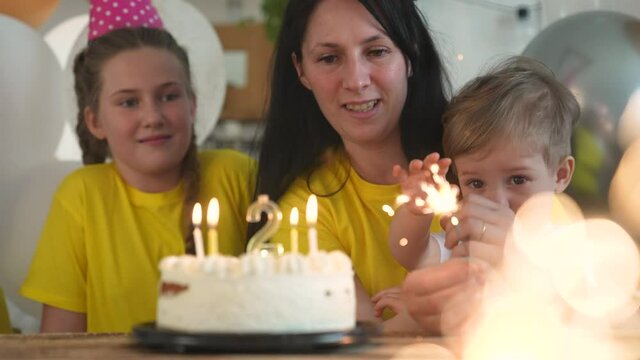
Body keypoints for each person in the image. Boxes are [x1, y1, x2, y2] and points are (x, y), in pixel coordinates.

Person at [20, 4, 255, 333]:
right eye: (129, 102)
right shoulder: (82, 197)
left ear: (193, 104)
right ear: (95, 121)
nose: (153, 117)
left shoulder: (236, 175)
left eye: (169, 96)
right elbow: (59, 343)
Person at [254, 0, 449, 328]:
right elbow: (359, 347)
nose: (356, 81)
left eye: (376, 52)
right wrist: (448, 309)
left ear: (410, 52)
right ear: (301, 70)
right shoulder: (306, 211)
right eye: (329, 58)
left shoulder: (483, 166)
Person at [392, 56, 580, 333]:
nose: (495, 200)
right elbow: (410, 252)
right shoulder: (464, 243)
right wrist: (416, 211)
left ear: (560, 175)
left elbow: (582, 315)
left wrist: (516, 255)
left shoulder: (566, 247)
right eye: (476, 183)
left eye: (517, 179)